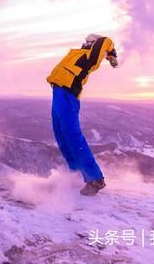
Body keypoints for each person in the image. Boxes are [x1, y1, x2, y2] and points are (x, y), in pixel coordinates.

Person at [46, 33, 118, 196]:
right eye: (86, 41)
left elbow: (105, 40)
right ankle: (76, 174)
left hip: (68, 95)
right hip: (58, 92)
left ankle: (95, 178)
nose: (86, 43)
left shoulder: (91, 57)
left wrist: (112, 55)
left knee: (72, 135)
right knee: (62, 136)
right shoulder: (77, 53)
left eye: (90, 42)